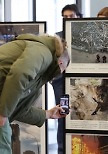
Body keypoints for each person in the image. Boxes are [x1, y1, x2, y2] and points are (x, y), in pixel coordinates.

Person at [52, 4, 82, 154]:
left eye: (71, 16)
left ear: (78, 17)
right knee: (62, 116)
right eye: (65, 17)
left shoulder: (84, 37)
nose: (68, 19)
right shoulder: (58, 37)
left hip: (82, 81)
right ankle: (62, 150)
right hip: (61, 84)